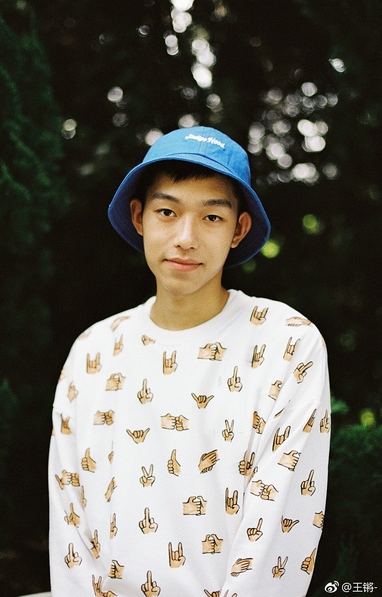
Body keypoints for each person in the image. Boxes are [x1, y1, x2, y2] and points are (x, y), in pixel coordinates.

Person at [49, 126, 331, 597]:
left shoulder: (286, 342)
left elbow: (283, 525)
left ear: (239, 229)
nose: (185, 238)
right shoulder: (94, 351)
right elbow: (69, 519)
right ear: (139, 217)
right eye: (167, 211)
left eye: (212, 217)